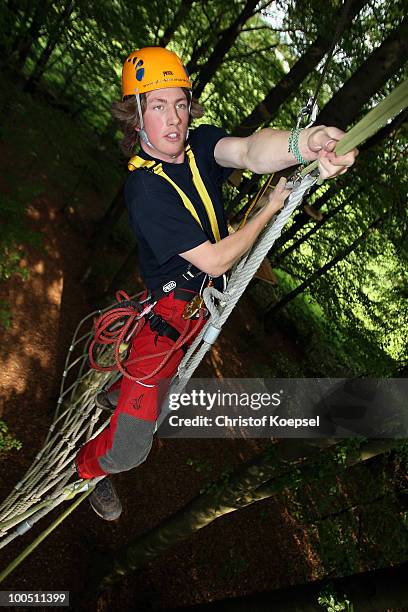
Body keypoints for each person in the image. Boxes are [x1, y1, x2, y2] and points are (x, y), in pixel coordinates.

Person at [75, 47, 357, 520]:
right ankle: (85, 472)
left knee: (163, 395)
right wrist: (267, 211)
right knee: (127, 451)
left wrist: (306, 143)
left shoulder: (200, 145)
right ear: (136, 117)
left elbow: (248, 150)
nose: (174, 118)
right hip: (164, 324)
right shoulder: (145, 188)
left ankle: (116, 395)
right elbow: (215, 259)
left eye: (180, 104)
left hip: (194, 314)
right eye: (158, 106)